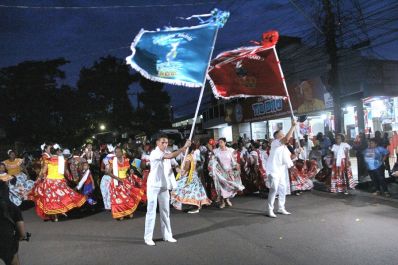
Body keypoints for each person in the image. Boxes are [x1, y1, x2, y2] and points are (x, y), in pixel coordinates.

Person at [144, 135, 191, 246]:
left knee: (165, 211)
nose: (165, 144)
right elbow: (170, 156)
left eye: (166, 143)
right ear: (157, 143)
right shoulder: (155, 153)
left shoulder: (167, 152)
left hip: (164, 186)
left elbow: (175, 166)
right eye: (163, 142)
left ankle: (167, 235)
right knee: (151, 211)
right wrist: (183, 148)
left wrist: (181, 170)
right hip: (153, 186)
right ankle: (148, 237)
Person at [29, 145, 86, 221]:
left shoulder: (48, 160)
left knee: (51, 199)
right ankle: (60, 212)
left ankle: (55, 216)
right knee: (62, 197)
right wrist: (71, 178)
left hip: (49, 181)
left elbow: (43, 171)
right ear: (57, 151)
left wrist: (39, 178)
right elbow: (66, 171)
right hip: (60, 181)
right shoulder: (63, 160)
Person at [266, 119, 296, 218]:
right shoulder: (274, 143)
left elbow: (290, 158)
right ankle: (270, 209)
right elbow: (286, 139)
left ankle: (281, 207)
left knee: (283, 189)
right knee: (274, 189)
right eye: (282, 134)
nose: (283, 135)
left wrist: (297, 152)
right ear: (277, 137)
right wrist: (293, 126)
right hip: (273, 170)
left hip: (282, 171)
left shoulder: (284, 147)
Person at [171, 146, 212, 213]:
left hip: (189, 177)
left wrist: (181, 172)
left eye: (184, 149)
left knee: (180, 188)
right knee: (194, 192)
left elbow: (187, 167)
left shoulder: (187, 157)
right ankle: (194, 206)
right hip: (194, 175)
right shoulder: (192, 156)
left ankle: (195, 207)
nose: (183, 151)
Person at [108, 147, 143, 220]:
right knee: (118, 200)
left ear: (122, 152)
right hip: (116, 182)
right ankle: (119, 214)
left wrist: (131, 171)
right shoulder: (113, 161)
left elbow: (129, 169)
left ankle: (128, 212)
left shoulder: (127, 160)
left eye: (119, 152)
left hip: (125, 181)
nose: (118, 153)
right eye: (116, 152)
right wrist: (117, 178)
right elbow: (108, 172)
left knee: (127, 198)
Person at [209, 138, 244, 208]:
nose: (220, 144)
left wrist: (237, 169)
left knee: (228, 186)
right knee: (221, 187)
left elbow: (234, 160)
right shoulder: (216, 151)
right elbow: (212, 160)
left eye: (221, 142)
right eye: (219, 142)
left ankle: (227, 199)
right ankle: (222, 202)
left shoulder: (231, 150)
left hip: (229, 171)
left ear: (225, 142)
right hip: (220, 172)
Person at [0, 181, 26, 265]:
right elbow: (21, 231)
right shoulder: (11, 206)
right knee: (13, 260)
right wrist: (21, 237)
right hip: (6, 240)